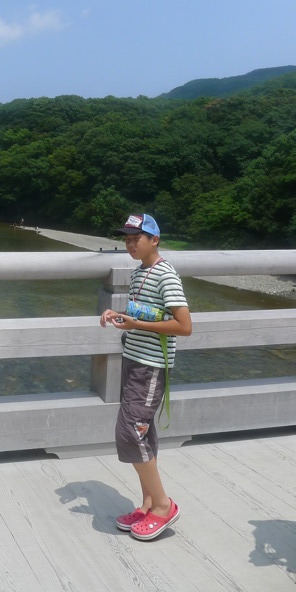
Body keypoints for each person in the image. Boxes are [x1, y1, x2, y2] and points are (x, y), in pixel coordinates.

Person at [100, 212, 192, 541]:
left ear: (154, 240)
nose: (130, 244)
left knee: (130, 433)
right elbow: (147, 314)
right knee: (142, 431)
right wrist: (120, 315)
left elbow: (184, 326)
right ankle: (149, 504)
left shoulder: (165, 274)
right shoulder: (141, 272)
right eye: (126, 239)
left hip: (151, 366)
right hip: (133, 361)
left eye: (135, 238)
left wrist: (137, 325)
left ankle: (164, 506)